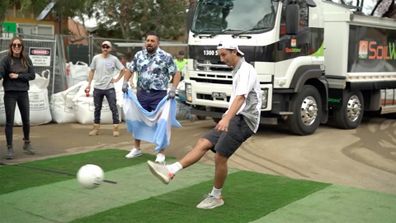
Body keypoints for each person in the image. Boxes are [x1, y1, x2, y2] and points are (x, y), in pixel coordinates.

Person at [147, 40, 262, 209]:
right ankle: (170, 170)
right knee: (203, 142)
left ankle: (216, 197)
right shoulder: (238, 70)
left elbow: (241, 97)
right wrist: (227, 117)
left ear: (234, 52)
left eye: (224, 55)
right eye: (220, 55)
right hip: (234, 117)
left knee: (220, 156)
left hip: (245, 119)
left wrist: (226, 118)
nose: (222, 59)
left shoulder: (246, 70)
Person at [122, 31, 181, 163]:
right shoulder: (139, 55)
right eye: (147, 40)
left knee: (162, 123)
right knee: (138, 120)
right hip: (142, 93)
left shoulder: (165, 56)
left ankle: (160, 152)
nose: (149, 43)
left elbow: (176, 73)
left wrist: (173, 89)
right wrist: (125, 82)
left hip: (159, 95)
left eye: (152, 41)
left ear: (158, 43)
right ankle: (136, 148)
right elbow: (130, 70)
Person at [0, 37, 36, 160]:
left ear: (22, 47)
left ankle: (27, 143)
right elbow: (1, 73)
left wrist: (18, 76)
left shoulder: (26, 59)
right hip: (10, 93)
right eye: (14, 45)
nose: (16, 47)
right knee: (9, 121)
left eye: (19, 45)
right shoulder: (6, 60)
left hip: (23, 93)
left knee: (26, 120)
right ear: (11, 46)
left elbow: (32, 75)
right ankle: (9, 148)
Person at [86, 40, 128, 137]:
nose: (105, 49)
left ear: (110, 49)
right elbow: (92, 71)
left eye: (107, 47)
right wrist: (89, 84)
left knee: (113, 107)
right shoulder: (96, 58)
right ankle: (96, 129)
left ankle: (116, 128)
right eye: (103, 47)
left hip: (109, 88)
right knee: (97, 108)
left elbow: (123, 70)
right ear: (101, 48)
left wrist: (117, 79)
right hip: (97, 88)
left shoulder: (114, 59)